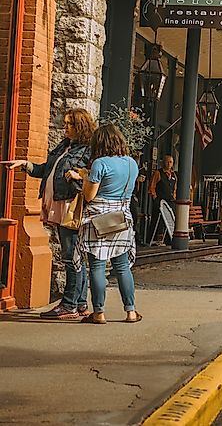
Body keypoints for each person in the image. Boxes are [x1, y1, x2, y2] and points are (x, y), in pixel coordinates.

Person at [4, 108, 95, 319]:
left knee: (71, 256)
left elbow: (91, 179)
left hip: (69, 206)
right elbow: (46, 169)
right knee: (74, 255)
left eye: (69, 124)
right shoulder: (64, 146)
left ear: (79, 126)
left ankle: (69, 304)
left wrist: (77, 177)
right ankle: (80, 303)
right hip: (57, 204)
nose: (65, 128)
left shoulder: (87, 150)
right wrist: (25, 165)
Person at [70, 124, 141, 324]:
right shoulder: (131, 163)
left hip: (98, 220)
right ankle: (131, 311)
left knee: (97, 266)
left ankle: (99, 313)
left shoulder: (100, 164)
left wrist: (81, 177)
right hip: (122, 218)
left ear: (99, 143)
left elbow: (90, 195)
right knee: (122, 266)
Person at [148, 155, 179, 246]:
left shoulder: (174, 175)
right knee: (157, 220)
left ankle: (169, 239)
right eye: (167, 162)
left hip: (170, 201)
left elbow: (174, 188)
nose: (169, 164)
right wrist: (155, 197)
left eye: (171, 162)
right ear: (163, 162)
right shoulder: (158, 173)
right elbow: (152, 187)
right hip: (160, 200)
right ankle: (152, 239)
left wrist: (174, 197)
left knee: (171, 219)